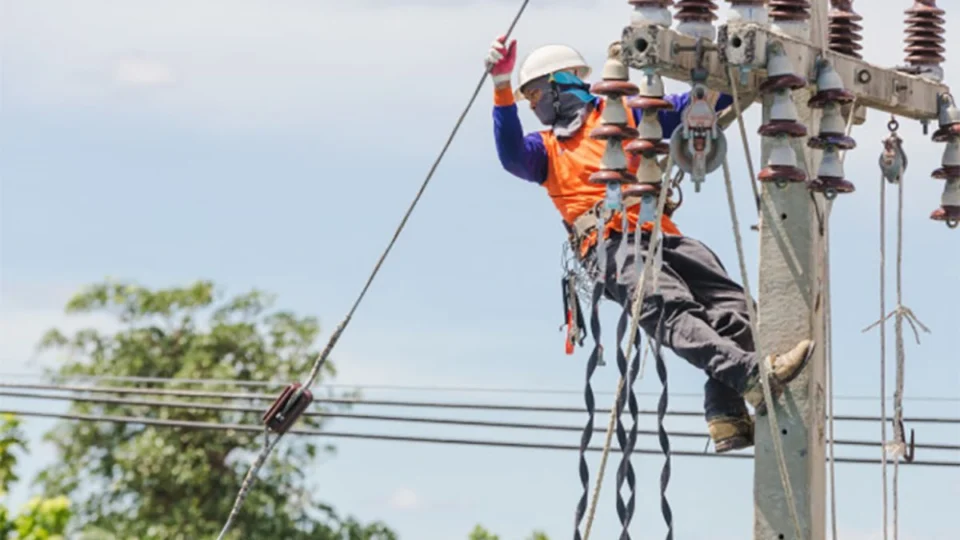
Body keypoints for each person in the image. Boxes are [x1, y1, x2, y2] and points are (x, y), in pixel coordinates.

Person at [486, 36, 815, 453]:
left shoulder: (624, 116)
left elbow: (693, 108)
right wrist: (501, 87)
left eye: (534, 95)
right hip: (607, 246)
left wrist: (745, 66)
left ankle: (725, 412)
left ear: (560, 84)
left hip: (659, 235)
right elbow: (511, 154)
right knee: (668, 304)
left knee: (734, 308)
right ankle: (749, 376)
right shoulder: (546, 149)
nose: (533, 106)